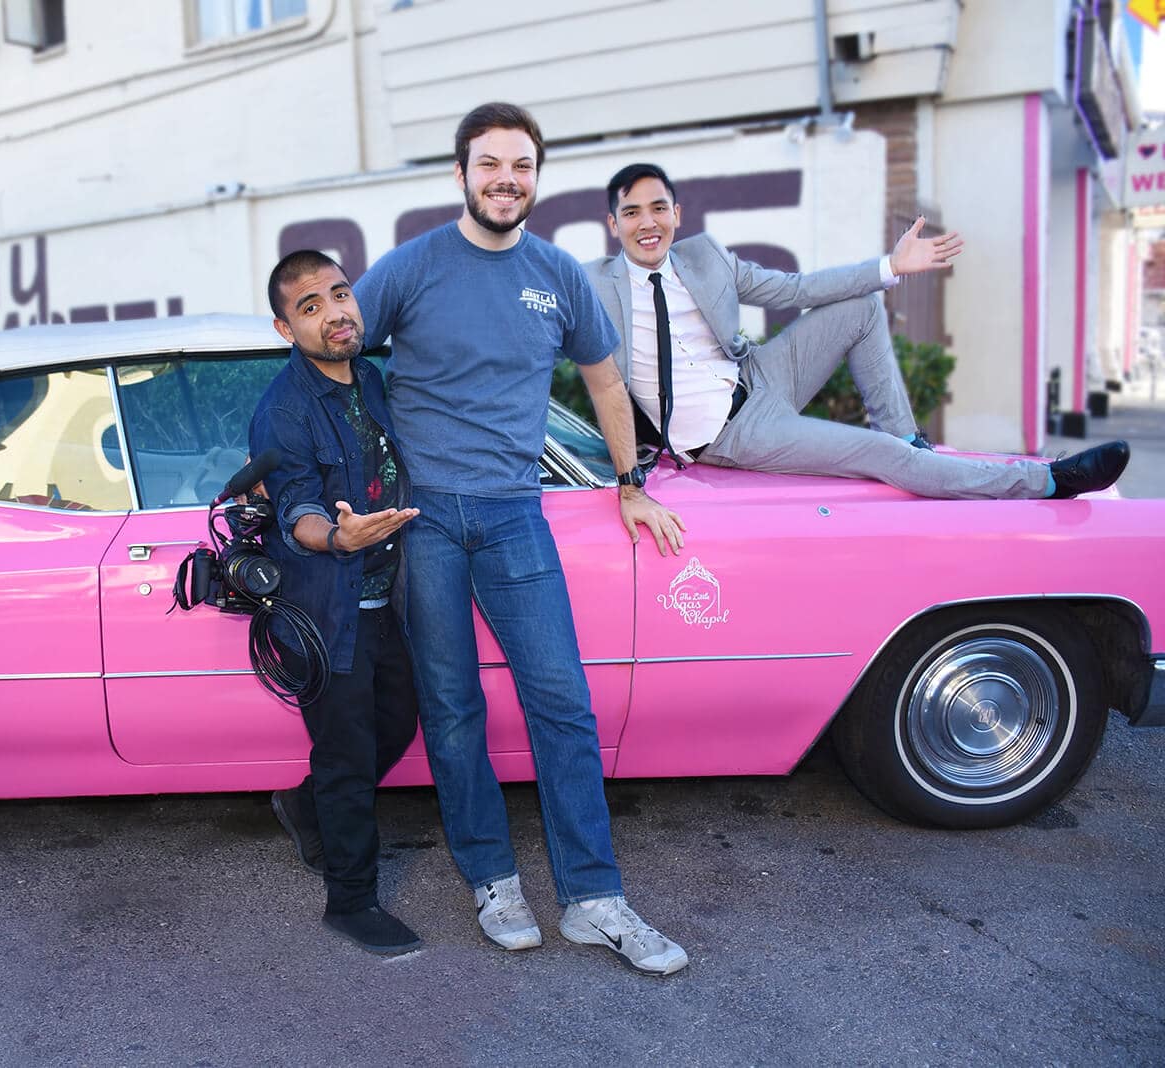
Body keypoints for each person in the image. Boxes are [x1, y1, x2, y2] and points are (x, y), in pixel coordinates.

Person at [353, 103, 689, 975]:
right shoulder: (411, 267)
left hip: (514, 516)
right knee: (455, 709)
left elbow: (606, 380)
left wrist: (628, 482)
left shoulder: (557, 274)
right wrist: (345, 481)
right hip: (424, 519)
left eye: (523, 166)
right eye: (490, 163)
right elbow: (338, 352)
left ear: (537, 177)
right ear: (460, 173)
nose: (507, 179)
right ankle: (492, 879)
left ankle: (593, 897)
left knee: (562, 705)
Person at [586, 161, 1130, 498]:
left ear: (677, 214)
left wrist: (890, 267)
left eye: (658, 208)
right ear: (613, 225)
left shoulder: (706, 258)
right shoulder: (591, 285)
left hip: (761, 374)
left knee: (862, 307)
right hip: (732, 435)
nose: (647, 222)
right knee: (880, 460)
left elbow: (796, 291)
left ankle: (907, 439)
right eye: (632, 213)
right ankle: (1049, 482)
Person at [249, 250, 423, 956]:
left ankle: (304, 803)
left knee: (399, 725)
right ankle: (350, 903)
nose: (333, 312)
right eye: (309, 307)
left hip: (386, 601)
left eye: (338, 294)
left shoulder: (371, 379)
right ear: (286, 328)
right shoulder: (283, 410)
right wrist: (338, 537)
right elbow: (296, 506)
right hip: (327, 610)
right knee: (348, 754)